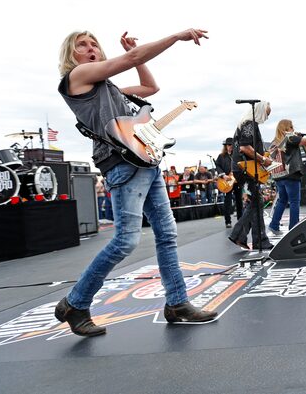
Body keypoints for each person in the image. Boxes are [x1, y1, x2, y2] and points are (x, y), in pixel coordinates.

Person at [54, 28, 217, 336]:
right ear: (71, 55)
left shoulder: (110, 87)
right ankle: (75, 303)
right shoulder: (78, 77)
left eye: (93, 44)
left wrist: (135, 55)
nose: (90, 48)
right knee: (126, 240)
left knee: (167, 234)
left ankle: (177, 303)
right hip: (121, 164)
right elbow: (131, 58)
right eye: (81, 45)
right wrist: (175, 37)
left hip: (146, 160)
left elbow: (149, 87)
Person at [267, 119, 306, 234]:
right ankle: (294, 228)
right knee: (294, 201)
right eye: (291, 127)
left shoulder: (274, 142)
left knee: (282, 200)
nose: (293, 129)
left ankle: (274, 225)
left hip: (278, 176)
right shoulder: (290, 138)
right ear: (286, 128)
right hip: (291, 175)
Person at [229, 101, 274, 251]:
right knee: (256, 202)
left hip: (242, 168)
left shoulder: (245, 124)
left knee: (255, 202)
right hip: (245, 169)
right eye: (266, 114)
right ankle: (255, 239)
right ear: (260, 111)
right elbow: (245, 147)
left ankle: (246, 238)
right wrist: (263, 159)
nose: (267, 117)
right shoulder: (250, 124)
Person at [215, 138, 241, 228]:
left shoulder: (238, 155)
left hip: (237, 180)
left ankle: (240, 219)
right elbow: (217, 166)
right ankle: (228, 221)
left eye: (232, 145)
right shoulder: (221, 156)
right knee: (227, 202)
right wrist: (223, 175)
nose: (230, 147)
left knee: (239, 200)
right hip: (226, 181)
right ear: (226, 146)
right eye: (229, 145)